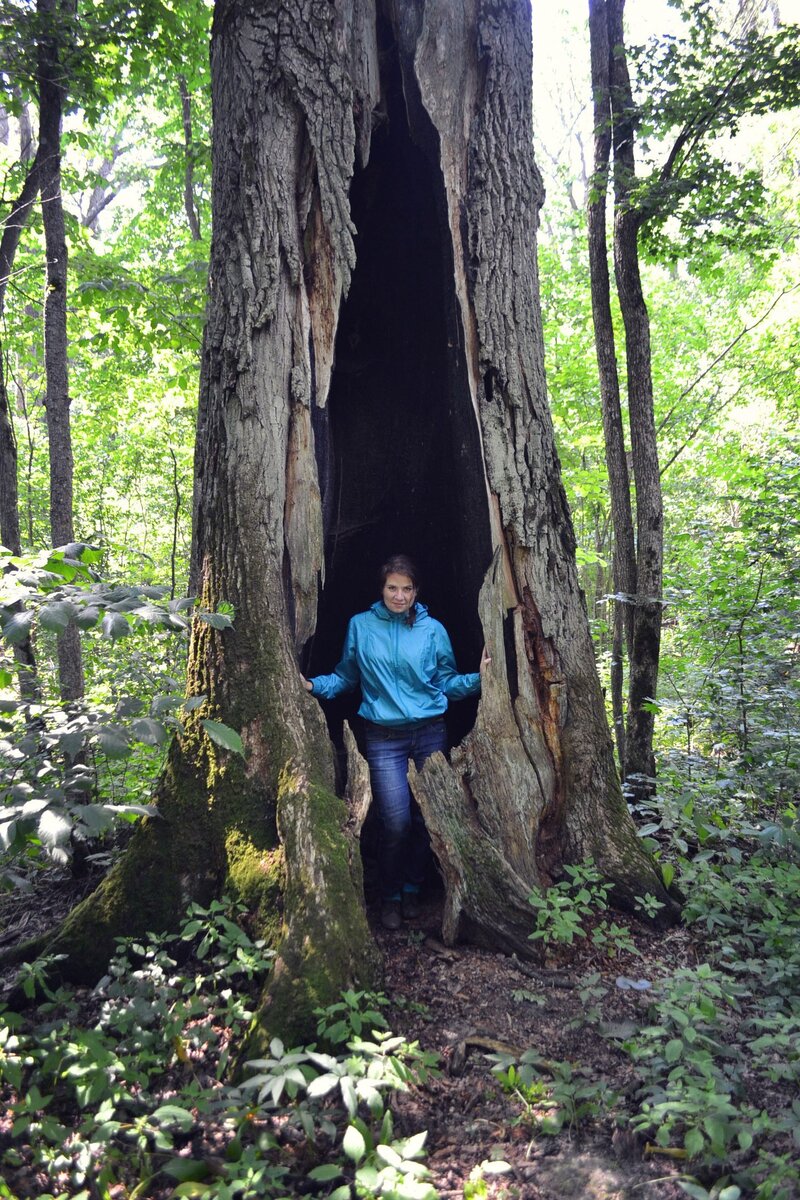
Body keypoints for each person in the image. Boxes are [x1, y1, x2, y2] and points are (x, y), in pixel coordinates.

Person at [301, 554, 490, 930]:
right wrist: (313, 685)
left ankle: (411, 890)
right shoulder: (361, 626)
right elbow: (346, 677)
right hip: (383, 737)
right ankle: (388, 896)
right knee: (396, 821)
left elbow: (447, 682)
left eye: (406, 588)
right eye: (392, 587)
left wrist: (480, 678)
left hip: (430, 732)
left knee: (427, 820)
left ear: (416, 591)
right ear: (382, 588)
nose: (399, 595)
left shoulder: (432, 630)